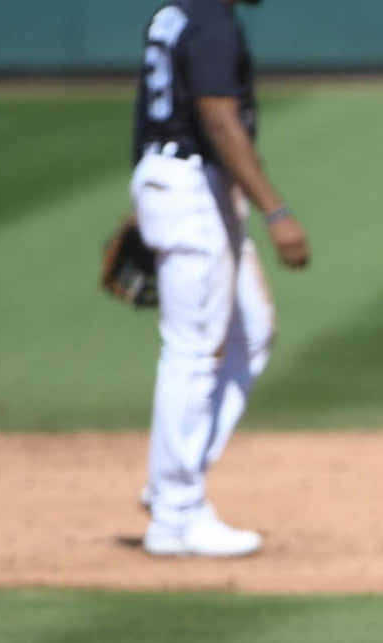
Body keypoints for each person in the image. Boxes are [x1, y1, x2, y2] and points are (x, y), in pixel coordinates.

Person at [130, 0, 309, 557]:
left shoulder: (176, 13)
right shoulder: (211, 20)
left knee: (251, 332)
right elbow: (216, 117)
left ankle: (172, 479)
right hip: (190, 187)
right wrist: (276, 212)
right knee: (192, 350)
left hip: (179, 179)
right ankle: (175, 514)